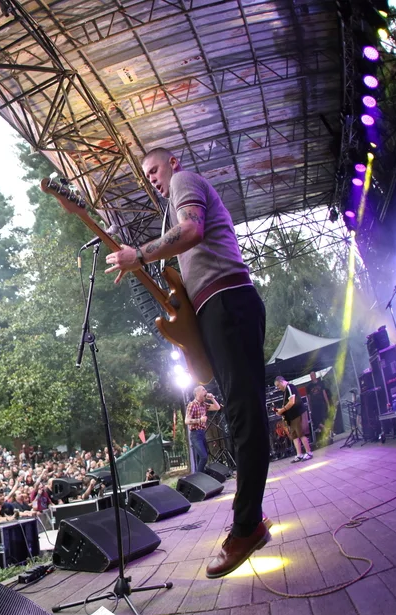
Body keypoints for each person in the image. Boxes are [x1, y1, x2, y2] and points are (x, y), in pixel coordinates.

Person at [106, 147, 271, 579]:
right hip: (218, 308)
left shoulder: (184, 182)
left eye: (154, 170)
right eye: (146, 176)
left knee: (245, 414)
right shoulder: (172, 205)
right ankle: (249, 519)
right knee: (241, 413)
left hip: (228, 301)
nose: (152, 179)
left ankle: (247, 526)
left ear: (173, 163)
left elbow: (192, 229)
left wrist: (140, 255)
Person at [275, 376, 313, 462]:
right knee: (294, 436)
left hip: (298, 414)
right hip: (292, 417)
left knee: (301, 434)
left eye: (278, 385)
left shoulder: (289, 387)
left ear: (281, 382)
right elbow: (287, 405)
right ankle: (299, 454)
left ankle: (309, 452)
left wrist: (282, 410)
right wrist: (281, 411)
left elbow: (292, 402)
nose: (278, 388)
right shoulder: (285, 392)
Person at [186, 385, 222, 473]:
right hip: (195, 434)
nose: (206, 391)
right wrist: (199, 420)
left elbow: (217, 407)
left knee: (200, 458)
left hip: (202, 433)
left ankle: (199, 477)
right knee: (204, 457)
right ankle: (199, 477)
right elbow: (186, 421)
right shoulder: (192, 405)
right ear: (197, 393)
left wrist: (212, 398)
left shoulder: (204, 405)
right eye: (203, 390)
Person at [307, 371, 332, 439]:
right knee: (316, 420)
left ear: (315, 375)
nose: (312, 377)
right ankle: (326, 429)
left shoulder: (321, 383)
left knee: (323, 418)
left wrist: (328, 404)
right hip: (314, 405)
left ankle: (327, 435)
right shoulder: (309, 386)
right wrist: (310, 407)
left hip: (321, 403)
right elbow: (308, 398)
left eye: (313, 375)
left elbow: (324, 393)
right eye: (311, 376)